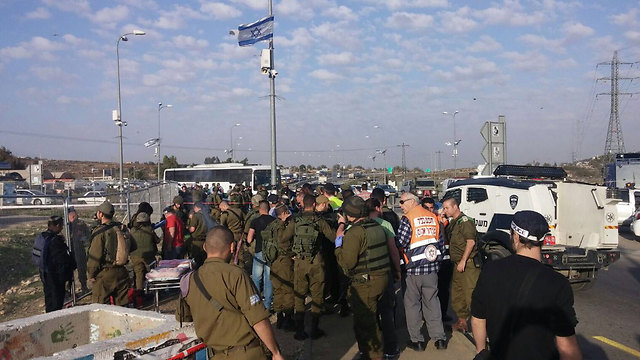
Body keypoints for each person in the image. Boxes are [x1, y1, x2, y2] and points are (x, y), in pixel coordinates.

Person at [471, 211, 582, 360]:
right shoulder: (557, 283)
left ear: (515, 237)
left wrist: (481, 351)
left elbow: (478, 319)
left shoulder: (490, 270)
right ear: (543, 240)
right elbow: (567, 348)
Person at [176, 226, 285, 360]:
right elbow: (258, 319)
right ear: (232, 247)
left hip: (214, 354)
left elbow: (183, 316)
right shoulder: (236, 275)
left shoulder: (189, 280)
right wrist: (275, 352)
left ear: (204, 247)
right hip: (245, 353)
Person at [335, 196, 389, 360]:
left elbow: (347, 263)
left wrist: (338, 244)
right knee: (370, 319)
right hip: (381, 278)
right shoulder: (376, 226)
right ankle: (367, 352)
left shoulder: (355, 233)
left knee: (367, 324)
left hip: (366, 283)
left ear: (351, 215)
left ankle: (374, 355)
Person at [281, 194, 336, 340]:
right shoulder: (319, 221)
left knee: (299, 296)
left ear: (302, 205)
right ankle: (314, 328)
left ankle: (299, 330)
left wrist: (292, 253)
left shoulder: (295, 221)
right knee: (317, 296)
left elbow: (283, 240)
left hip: (300, 262)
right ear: (313, 205)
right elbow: (333, 238)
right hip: (316, 262)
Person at [397, 192, 447, 351]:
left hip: (413, 270)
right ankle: (439, 339)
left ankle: (417, 341)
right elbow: (440, 243)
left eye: (402, 201)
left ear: (412, 202)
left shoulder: (408, 219)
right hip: (432, 269)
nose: (400, 205)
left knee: (412, 305)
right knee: (432, 302)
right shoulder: (433, 217)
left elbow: (401, 241)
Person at [365, 198, 402, 359]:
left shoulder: (357, 226)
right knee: (387, 312)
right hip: (384, 271)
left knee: (368, 313)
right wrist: (398, 270)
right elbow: (394, 250)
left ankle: (370, 348)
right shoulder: (385, 225)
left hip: (364, 275)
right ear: (377, 207)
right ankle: (391, 348)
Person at [442, 197, 480, 333]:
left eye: (446, 208)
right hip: (457, 264)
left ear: (455, 207)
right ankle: (462, 322)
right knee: (457, 294)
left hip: (468, 264)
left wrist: (464, 260)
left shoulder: (465, 222)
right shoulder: (454, 223)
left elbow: (471, 242)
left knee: (470, 294)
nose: (444, 210)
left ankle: (480, 326)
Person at [87, 201, 130, 306]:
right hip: (122, 271)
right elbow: (132, 246)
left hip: (105, 273)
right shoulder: (121, 228)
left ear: (101, 214)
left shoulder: (99, 232)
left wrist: (91, 274)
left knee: (100, 307)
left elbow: (95, 257)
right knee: (122, 308)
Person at [32, 215, 75, 312]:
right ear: (57, 225)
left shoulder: (42, 236)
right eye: (61, 225)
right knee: (56, 302)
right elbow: (63, 260)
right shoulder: (55, 241)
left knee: (49, 299)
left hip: (44, 273)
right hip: (55, 276)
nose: (62, 228)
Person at [423, 197, 453, 322]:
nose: (430, 210)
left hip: (445, 261)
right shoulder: (422, 221)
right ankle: (427, 316)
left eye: (432, 208)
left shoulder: (441, 220)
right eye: (427, 208)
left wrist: (444, 223)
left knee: (444, 289)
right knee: (428, 291)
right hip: (428, 261)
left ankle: (443, 313)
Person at [267, 204, 296, 331]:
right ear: (284, 213)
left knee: (278, 289)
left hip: (273, 262)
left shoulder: (271, 225)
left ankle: (279, 316)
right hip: (284, 261)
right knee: (288, 289)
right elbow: (284, 242)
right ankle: (288, 319)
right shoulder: (284, 226)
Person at [247, 201, 276, 310]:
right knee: (268, 280)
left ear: (259, 209)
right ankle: (268, 305)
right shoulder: (274, 221)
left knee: (256, 279)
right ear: (268, 209)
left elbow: (249, 239)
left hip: (259, 252)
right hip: (271, 253)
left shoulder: (255, 221)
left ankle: (256, 305)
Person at [129, 212, 160, 298]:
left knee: (139, 275)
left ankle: (140, 295)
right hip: (149, 256)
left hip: (135, 256)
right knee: (152, 274)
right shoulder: (150, 230)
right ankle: (154, 292)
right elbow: (157, 241)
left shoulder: (132, 231)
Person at [219, 200, 248, 270]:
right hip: (240, 235)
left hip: (231, 236)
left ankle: (232, 269)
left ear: (224, 206)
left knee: (231, 253)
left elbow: (222, 227)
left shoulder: (225, 214)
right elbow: (245, 220)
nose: (221, 210)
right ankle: (241, 269)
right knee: (240, 254)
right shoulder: (238, 211)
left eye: (221, 208)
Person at [68, 207, 90, 293]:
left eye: (75, 214)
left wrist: (82, 237)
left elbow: (87, 235)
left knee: (82, 269)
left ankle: (84, 286)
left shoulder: (81, 224)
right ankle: (69, 289)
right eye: (72, 215)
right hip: (70, 250)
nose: (74, 217)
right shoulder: (66, 225)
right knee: (69, 271)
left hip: (80, 249)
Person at [188, 202, 208, 268]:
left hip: (196, 241)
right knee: (203, 259)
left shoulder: (196, 216)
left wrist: (188, 228)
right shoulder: (206, 215)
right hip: (205, 240)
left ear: (196, 207)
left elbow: (192, 229)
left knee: (196, 260)